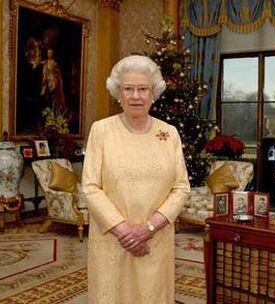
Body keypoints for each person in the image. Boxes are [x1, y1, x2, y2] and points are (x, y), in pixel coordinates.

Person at [82, 55, 190, 303]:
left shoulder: (169, 133)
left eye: (143, 89)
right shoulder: (101, 130)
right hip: (112, 238)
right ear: (117, 94)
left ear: (154, 94)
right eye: (128, 89)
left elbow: (181, 187)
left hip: (156, 238)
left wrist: (148, 228)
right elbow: (90, 186)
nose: (136, 96)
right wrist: (125, 232)